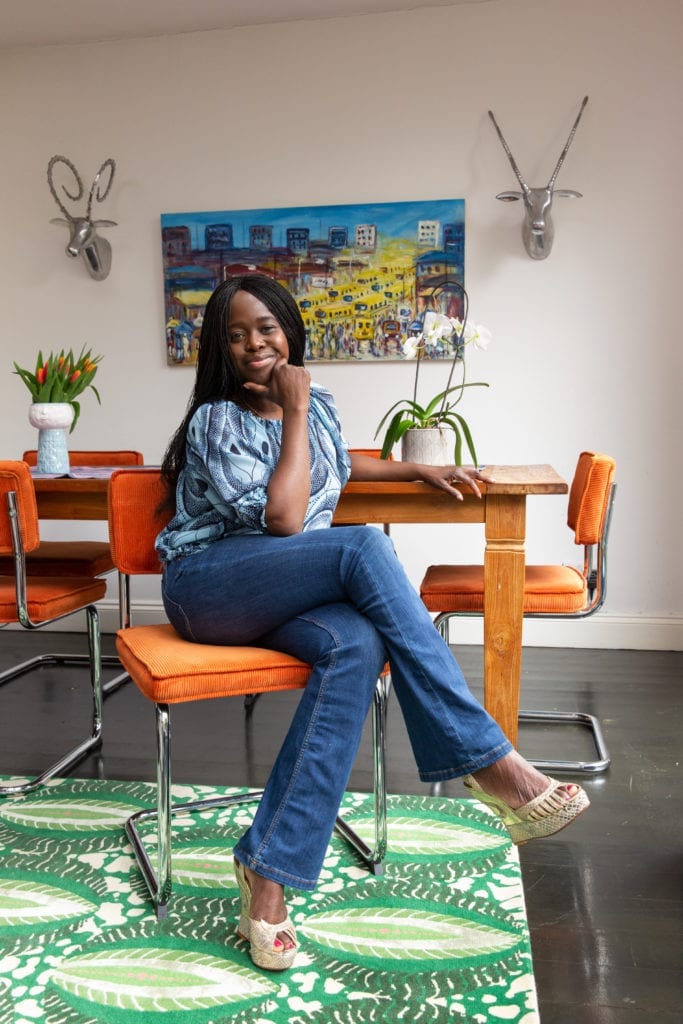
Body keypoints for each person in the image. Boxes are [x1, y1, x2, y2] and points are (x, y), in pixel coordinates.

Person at [156, 274, 589, 972]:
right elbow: (287, 519)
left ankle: (268, 876)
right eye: (234, 335)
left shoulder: (315, 405)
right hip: (210, 586)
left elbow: (338, 470)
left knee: (354, 642)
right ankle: (486, 759)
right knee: (363, 544)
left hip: (282, 586)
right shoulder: (216, 419)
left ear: (289, 329)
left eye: (264, 327)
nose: (252, 344)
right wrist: (293, 410)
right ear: (220, 348)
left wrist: (410, 473)